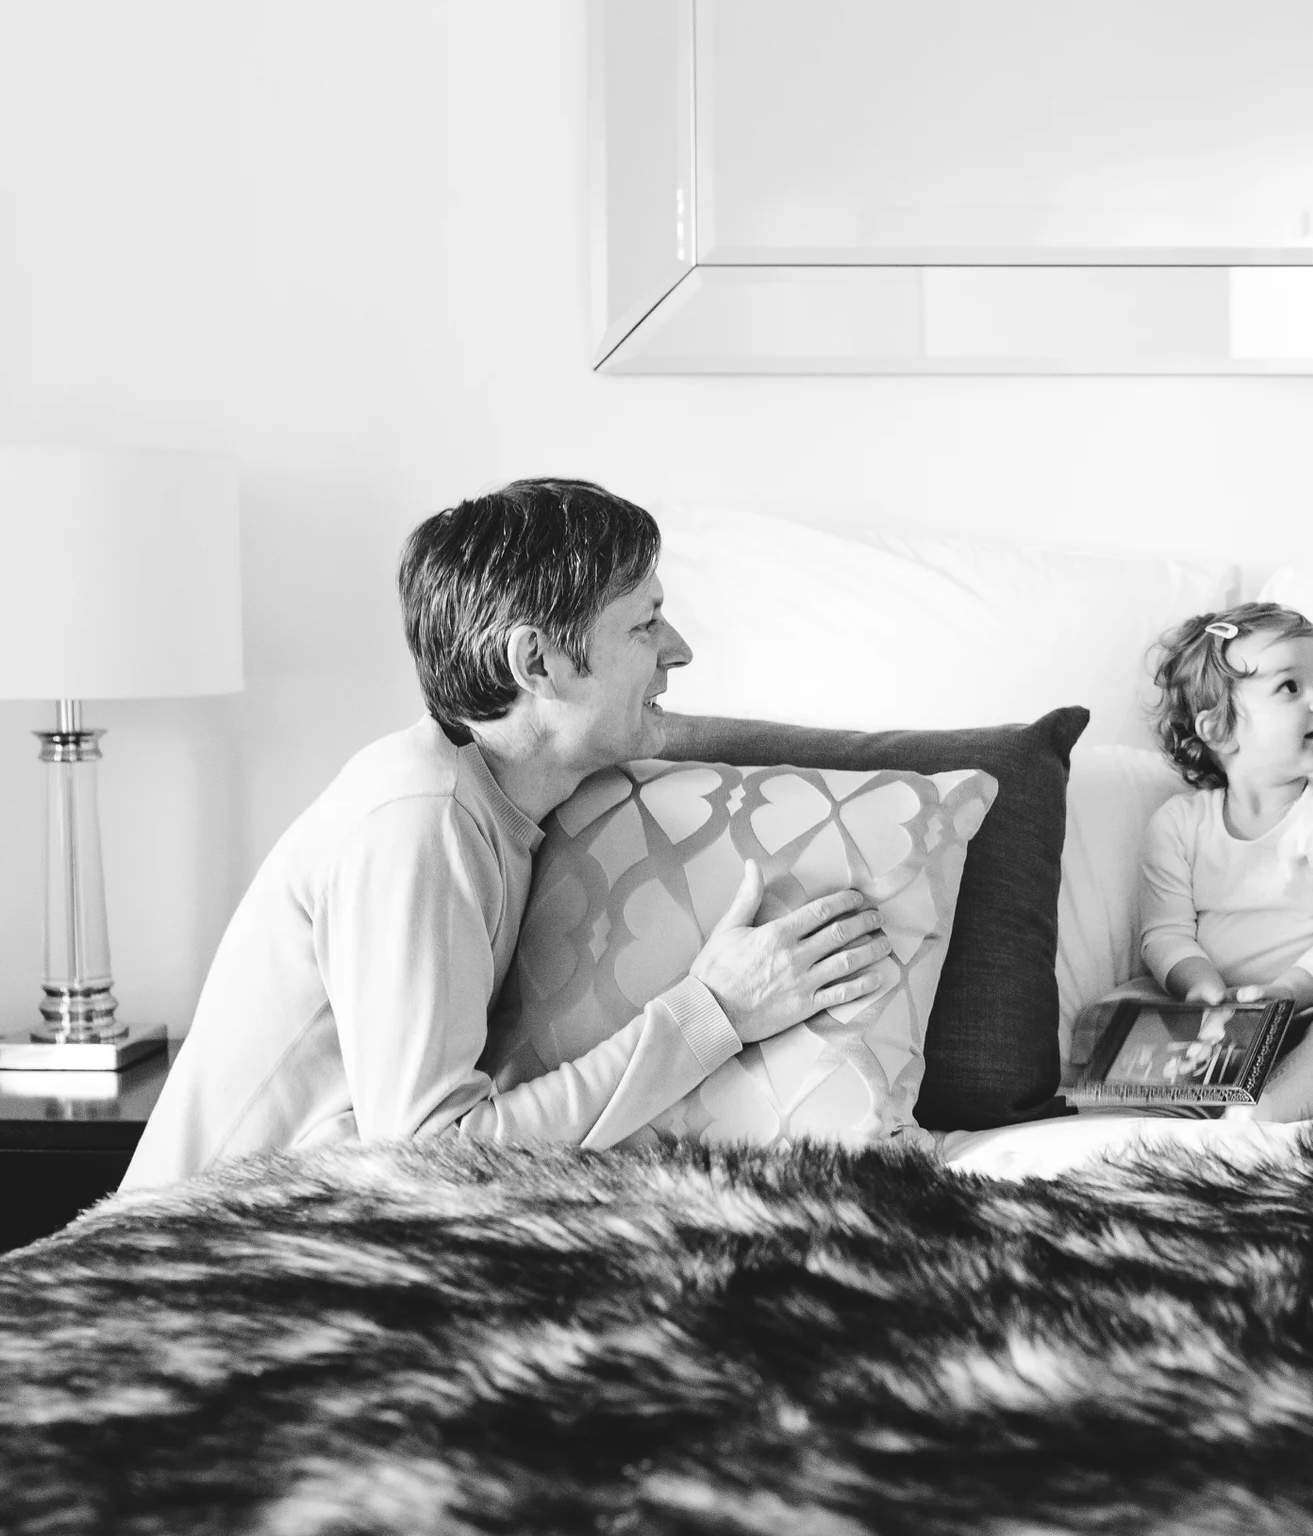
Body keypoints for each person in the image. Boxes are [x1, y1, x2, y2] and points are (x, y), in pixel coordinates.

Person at [121, 479, 894, 1191]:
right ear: (537, 662)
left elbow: (712, 738)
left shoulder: (503, 785)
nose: (679, 649)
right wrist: (715, 1009)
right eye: (645, 623)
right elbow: (430, 1159)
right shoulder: (421, 821)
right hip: (203, 1253)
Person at [1131, 603, 1313, 1122]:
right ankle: (1198, 1097)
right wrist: (1201, 987)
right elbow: (1163, 934)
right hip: (1212, 1017)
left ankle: (1261, 1113)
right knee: (1123, 1019)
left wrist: (1286, 994)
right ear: (1219, 729)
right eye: (1290, 687)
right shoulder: (1178, 825)